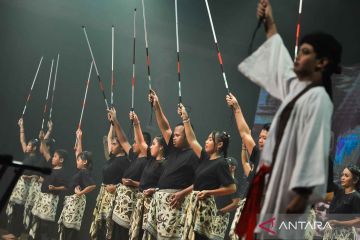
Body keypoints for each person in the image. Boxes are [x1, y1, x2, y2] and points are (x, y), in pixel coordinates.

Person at [235, 0, 342, 239]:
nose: (297, 56)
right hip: (272, 184)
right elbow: (280, 61)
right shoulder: (297, 90)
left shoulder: (319, 99)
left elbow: (314, 147)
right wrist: (269, 22)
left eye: (305, 52)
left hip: (290, 193)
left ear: (322, 62)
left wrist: (300, 197)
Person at [143, 90, 199, 239]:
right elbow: (164, 127)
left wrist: (182, 193)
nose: (173, 137)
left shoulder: (194, 155)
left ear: (187, 135)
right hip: (160, 203)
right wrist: (157, 105)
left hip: (175, 205)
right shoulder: (173, 150)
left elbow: (200, 183)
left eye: (177, 135)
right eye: (173, 135)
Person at [177, 104, 236, 240]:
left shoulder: (221, 163)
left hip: (204, 209)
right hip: (194, 205)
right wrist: (186, 119)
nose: (206, 141)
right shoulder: (205, 157)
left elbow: (232, 188)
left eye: (210, 139)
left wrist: (209, 192)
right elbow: (192, 139)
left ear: (219, 145)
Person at [107, 108, 151, 239]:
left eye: (136, 142)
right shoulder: (134, 156)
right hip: (121, 203)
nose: (133, 144)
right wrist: (115, 121)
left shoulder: (148, 162)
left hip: (132, 204)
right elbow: (123, 139)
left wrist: (132, 183)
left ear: (144, 144)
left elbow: (145, 185)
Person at [3, 118, 47, 240]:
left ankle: (16, 233)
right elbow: (22, 140)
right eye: (27, 145)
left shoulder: (38, 158)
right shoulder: (27, 154)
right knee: (15, 208)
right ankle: (13, 232)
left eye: (29, 145)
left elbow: (36, 174)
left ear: (34, 148)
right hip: (20, 185)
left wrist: (46, 134)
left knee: (20, 209)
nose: (26, 146)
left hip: (28, 188)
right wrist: (21, 126)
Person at [128, 112, 167, 240]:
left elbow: (163, 187)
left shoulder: (165, 164)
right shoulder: (151, 159)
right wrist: (136, 123)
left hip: (152, 205)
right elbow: (140, 141)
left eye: (154, 144)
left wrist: (154, 190)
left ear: (161, 147)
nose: (150, 146)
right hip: (140, 202)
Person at [89, 123, 129, 240]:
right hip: (104, 195)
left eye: (114, 144)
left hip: (115, 198)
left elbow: (128, 181)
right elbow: (109, 137)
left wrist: (116, 188)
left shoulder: (125, 161)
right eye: (111, 144)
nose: (111, 146)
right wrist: (111, 125)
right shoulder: (111, 158)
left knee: (109, 228)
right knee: (100, 226)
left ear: (122, 146)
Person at [28, 121, 67, 240]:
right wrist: (42, 140)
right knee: (35, 223)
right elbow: (45, 151)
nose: (53, 158)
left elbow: (65, 187)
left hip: (50, 201)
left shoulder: (62, 172)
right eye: (53, 156)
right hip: (41, 197)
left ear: (61, 160)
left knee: (45, 227)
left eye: (55, 157)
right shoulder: (51, 165)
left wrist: (55, 188)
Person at [57, 129, 96, 240]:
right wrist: (79, 138)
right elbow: (78, 153)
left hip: (76, 203)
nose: (77, 161)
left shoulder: (85, 172)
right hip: (71, 202)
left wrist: (80, 193)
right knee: (66, 227)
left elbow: (92, 185)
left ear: (85, 162)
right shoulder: (82, 170)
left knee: (70, 229)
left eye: (79, 160)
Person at [226, 94, 270, 181]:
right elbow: (245, 133)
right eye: (260, 137)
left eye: (265, 138)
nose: (260, 141)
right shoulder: (258, 155)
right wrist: (236, 108)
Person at [323, 165, 360, 240]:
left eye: (346, 176)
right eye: (342, 175)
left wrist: (338, 223)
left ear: (355, 180)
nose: (342, 178)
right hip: (330, 232)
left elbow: (358, 220)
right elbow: (328, 180)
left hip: (344, 235)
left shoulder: (356, 197)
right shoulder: (339, 191)